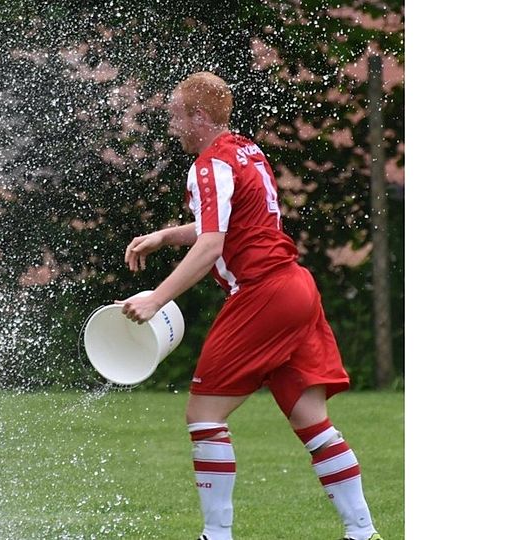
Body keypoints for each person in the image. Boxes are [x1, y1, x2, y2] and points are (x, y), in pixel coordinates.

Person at [118, 71, 383, 540]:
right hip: (297, 288)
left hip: (262, 294)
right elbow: (231, 224)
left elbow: (212, 246)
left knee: (203, 416)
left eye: (176, 116)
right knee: (312, 422)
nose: (172, 126)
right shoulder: (246, 149)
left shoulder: (208, 163)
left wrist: (157, 299)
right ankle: (363, 533)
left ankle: (216, 535)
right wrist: (165, 235)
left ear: (199, 116)